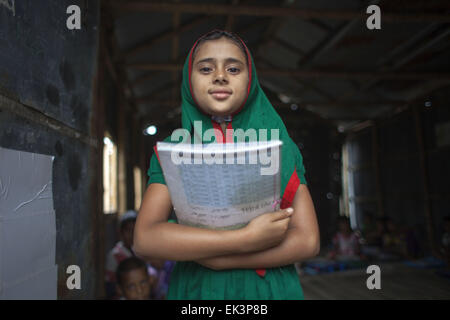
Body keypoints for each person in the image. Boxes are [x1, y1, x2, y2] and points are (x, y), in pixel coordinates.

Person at [134, 29, 320, 300]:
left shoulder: (281, 146)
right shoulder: (174, 150)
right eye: (206, 68)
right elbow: (145, 239)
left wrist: (224, 260)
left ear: (250, 81)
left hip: (268, 292)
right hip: (199, 293)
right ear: (188, 80)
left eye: (233, 69)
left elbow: (308, 240)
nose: (220, 76)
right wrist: (244, 240)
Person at [105, 210, 158, 299]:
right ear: (121, 232)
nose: (131, 234)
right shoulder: (114, 256)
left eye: (134, 230)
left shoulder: (141, 251)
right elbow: (110, 286)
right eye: (128, 230)